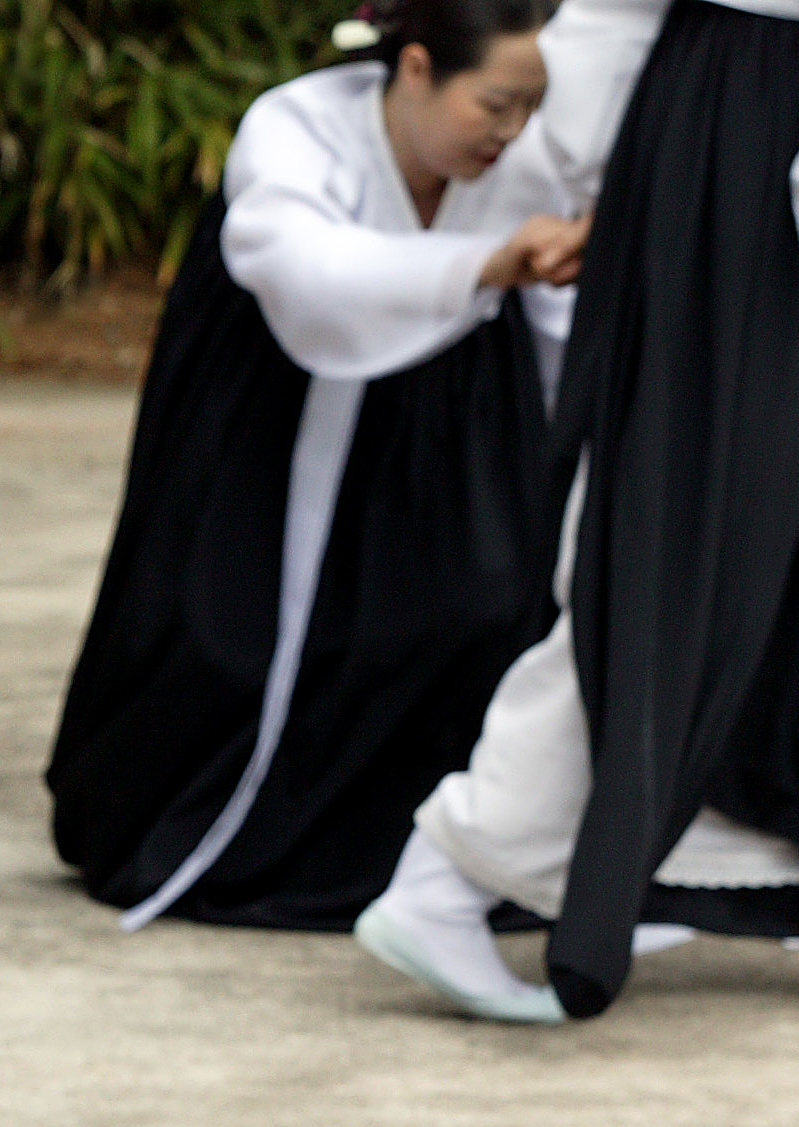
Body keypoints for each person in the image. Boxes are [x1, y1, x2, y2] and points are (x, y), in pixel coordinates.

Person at [356, 0, 799, 1021]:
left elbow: (602, 22)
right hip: (791, 177)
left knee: (793, 548)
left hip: (685, 145)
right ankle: (447, 872)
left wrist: (619, 180)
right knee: (689, 564)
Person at [50, 2, 588, 933]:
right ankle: (212, 819)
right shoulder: (296, 124)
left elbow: (558, 335)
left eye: (527, 110)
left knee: (478, 609)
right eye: (492, 104)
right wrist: (483, 265)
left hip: (451, 422)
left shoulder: (527, 163)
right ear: (415, 67)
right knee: (220, 631)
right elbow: (305, 273)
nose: (510, 132)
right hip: (269, 403)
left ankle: (414, 852)